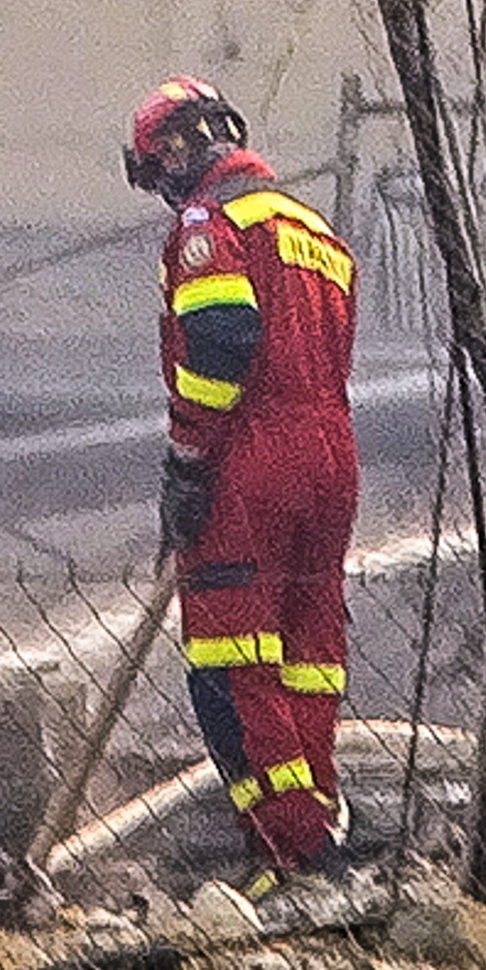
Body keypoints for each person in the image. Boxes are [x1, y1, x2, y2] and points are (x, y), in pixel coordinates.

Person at [131, 76, 361, 872]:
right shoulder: (312, 228)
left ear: (170, 154)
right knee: (309, 653)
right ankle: (321, 827)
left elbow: (222, 342)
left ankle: (287, 855)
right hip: (331, 458)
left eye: (152, 169)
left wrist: (187, 462)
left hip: (247, 460)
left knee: (232, 666)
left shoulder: (209, 224)